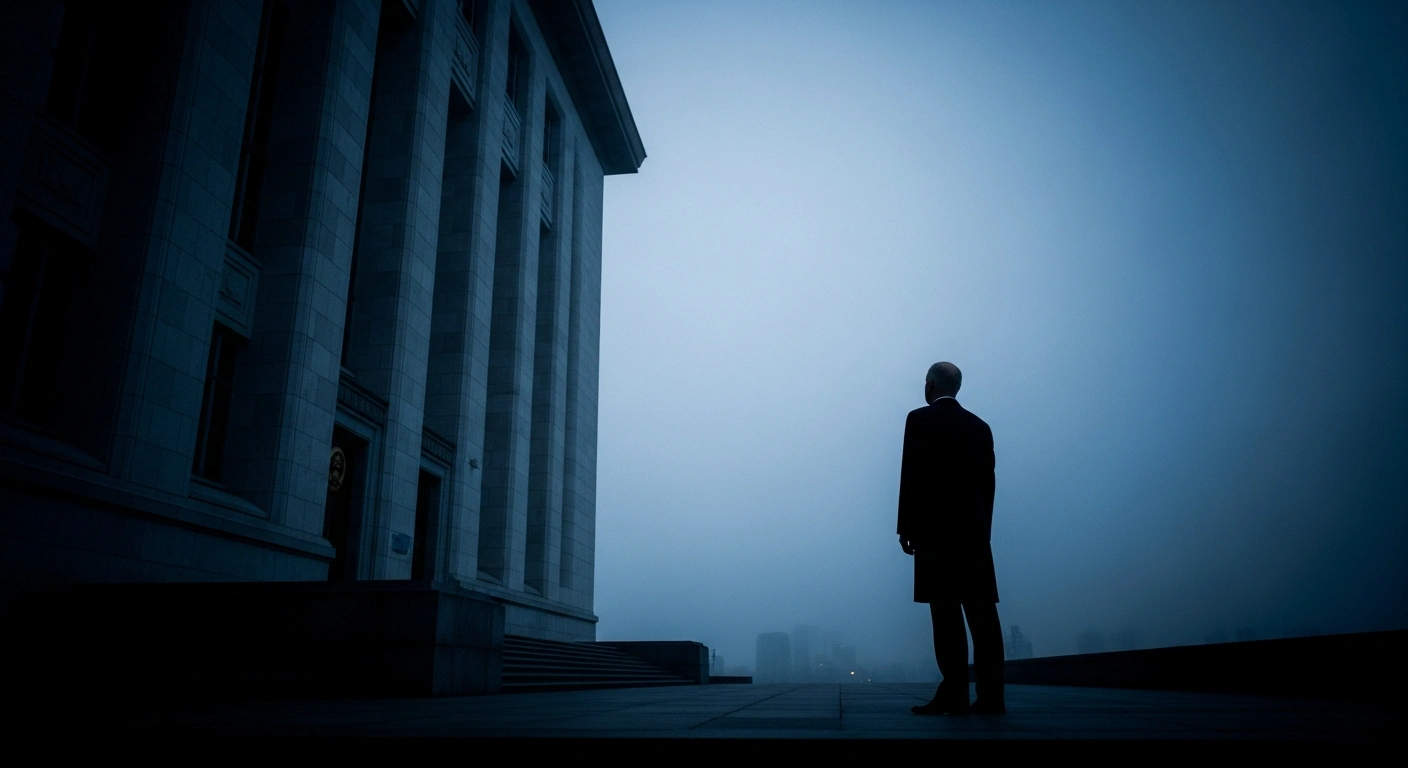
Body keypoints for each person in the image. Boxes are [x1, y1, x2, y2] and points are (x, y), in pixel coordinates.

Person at [897, 361, 1005, 715]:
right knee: (983, 615)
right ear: (956, 387)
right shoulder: (980, 427)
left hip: (933, 534)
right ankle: (991, 697)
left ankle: (954, 693)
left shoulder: (919, 420)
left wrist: (906, 527)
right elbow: (987, 486)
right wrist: (983, 529)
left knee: (945, 615)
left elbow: (910, 477)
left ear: (929, 385)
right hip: (973, 535)